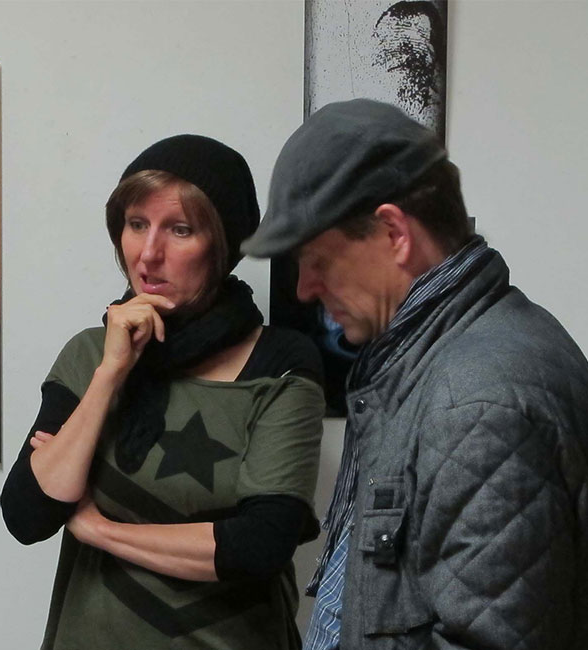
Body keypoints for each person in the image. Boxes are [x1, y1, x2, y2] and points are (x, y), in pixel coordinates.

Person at [241, 98, 588, 649]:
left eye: (317, 259)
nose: (304, 288)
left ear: (393, 233)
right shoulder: (436, 361)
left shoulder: (477, 399)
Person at [1, 135, 326, 649]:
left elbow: (259, 544)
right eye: (136, 224)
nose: (148, 255)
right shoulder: (90, 354)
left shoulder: (279, 363)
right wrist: (111, 372)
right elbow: (28, 513)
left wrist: (100, 530)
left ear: (222, 246)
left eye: (180, 230)